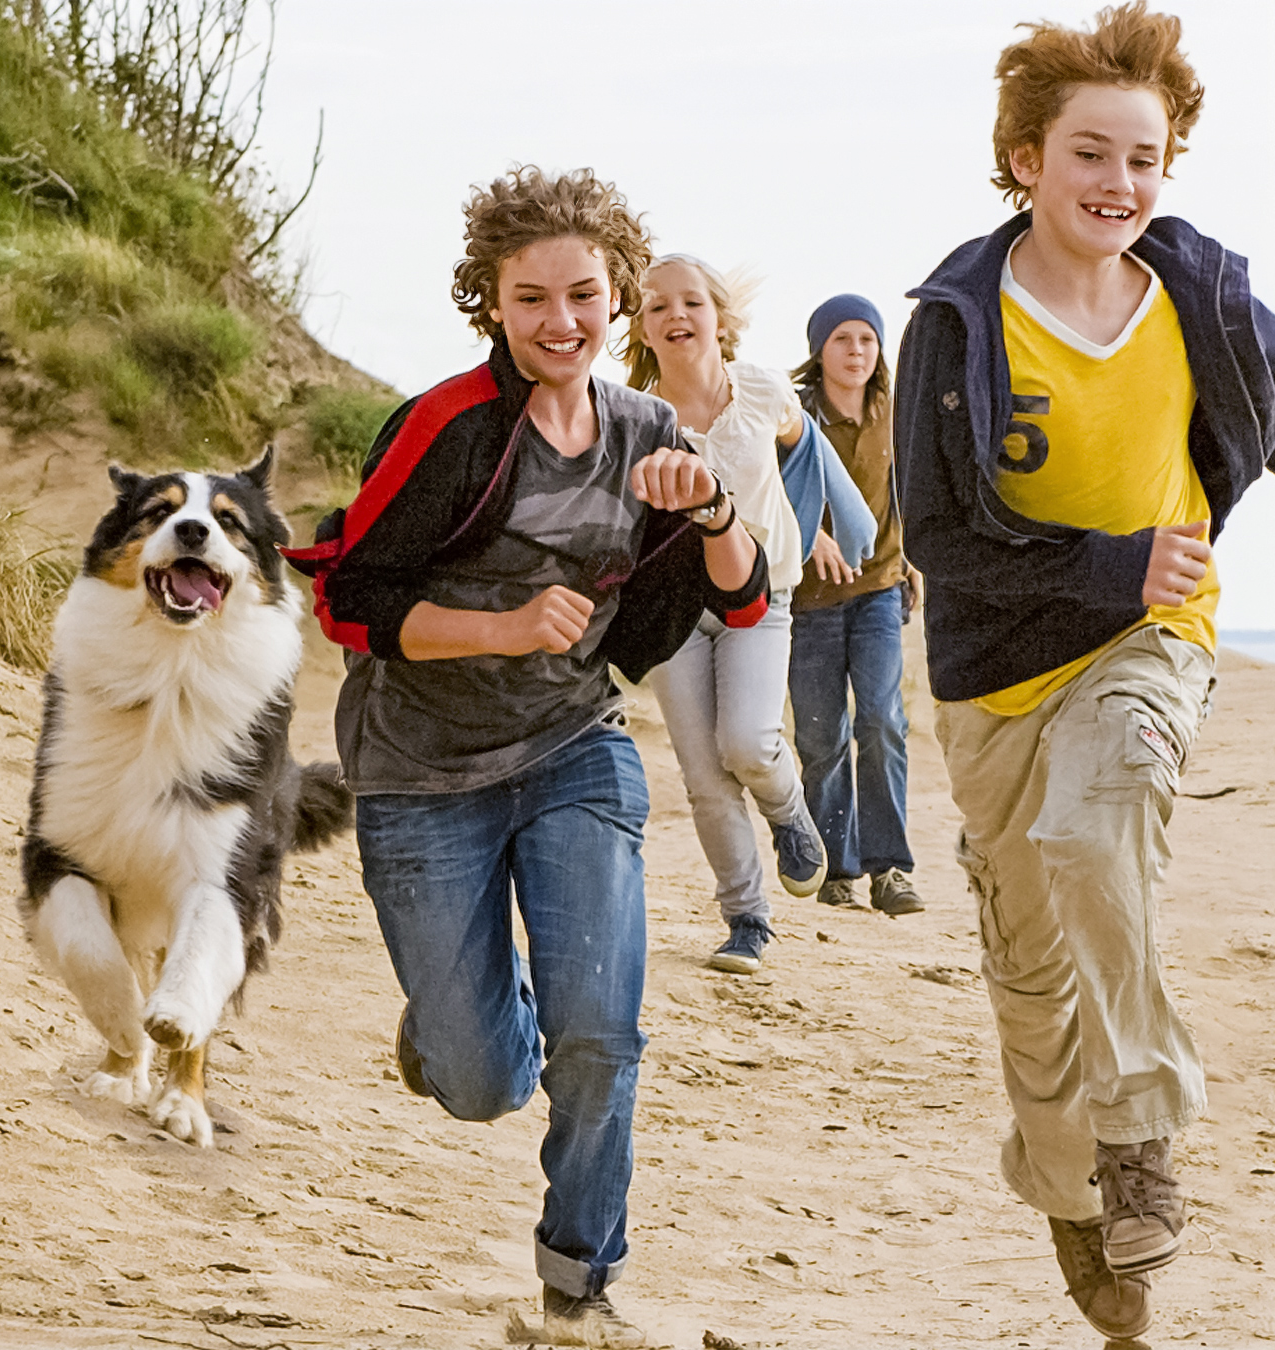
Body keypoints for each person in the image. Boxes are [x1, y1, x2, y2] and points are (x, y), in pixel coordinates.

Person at [282, 165, 765, 1350]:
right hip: (417, 772)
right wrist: (500, 625)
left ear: (617, 301)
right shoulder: (447, 426)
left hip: (572, 752)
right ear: (491, 302)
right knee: (483, 1079)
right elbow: (348, 594)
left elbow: (743, 599)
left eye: (586, 296)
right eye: (532, 297)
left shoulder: (653, 434)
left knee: (602, 1029)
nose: (562, 322)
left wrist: (706, 509)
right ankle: (453, 1031)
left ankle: (578, 1284)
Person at [895, 4, 1275, 1342]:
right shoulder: (954, 319)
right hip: (994, 671)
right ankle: (1071, 1193)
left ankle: (1143, 1139)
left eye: (1145, 158)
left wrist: (1152, 577)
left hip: (1151, 642)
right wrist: (1114, 562)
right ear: (1025, 158)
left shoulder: (1214, 302)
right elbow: (939, 536)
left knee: (1097, 829)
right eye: (1091, 154)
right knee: (1032, 983)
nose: (1120, 183)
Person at [623, 256, 836, 974]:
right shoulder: (638, 418)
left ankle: (789, 811)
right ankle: (746, 918)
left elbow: (808, 454)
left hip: (765, 594)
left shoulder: (766, 389)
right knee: (705, 775)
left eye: (691, 302)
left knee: (747, 742)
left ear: (720, 316)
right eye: (658, 307)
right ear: (643, 328)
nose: (676, 315)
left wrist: (815, 529)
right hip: (679, 609)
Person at [787, 295, 921, 916]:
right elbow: (768, 495)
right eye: (842, 339)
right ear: (820, 350)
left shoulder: (898, 415)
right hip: (807, 602)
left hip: (878, 591)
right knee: (819, 736)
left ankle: (890, 869)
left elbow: (914, 495)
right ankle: (836, 868)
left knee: (883, 721)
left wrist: (915, 560)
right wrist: (806, 537)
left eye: (867, 340)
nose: (857, 351)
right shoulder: (792, 418)